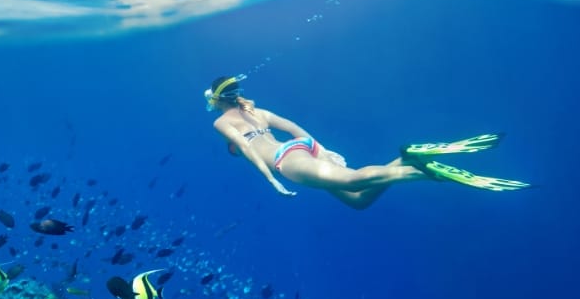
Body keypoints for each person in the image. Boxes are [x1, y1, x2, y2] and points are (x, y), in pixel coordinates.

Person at [205, 75, 529, 210]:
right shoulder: (257, 111)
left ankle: (428, 169)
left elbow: (247, 149)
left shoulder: (222, 122)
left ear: (217, 101)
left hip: (286, 163)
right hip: (299, 151)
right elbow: (296, 131)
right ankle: (406, 162)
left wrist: (272, 180)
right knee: (357, 200)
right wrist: (322, 149)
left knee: (357, 177)